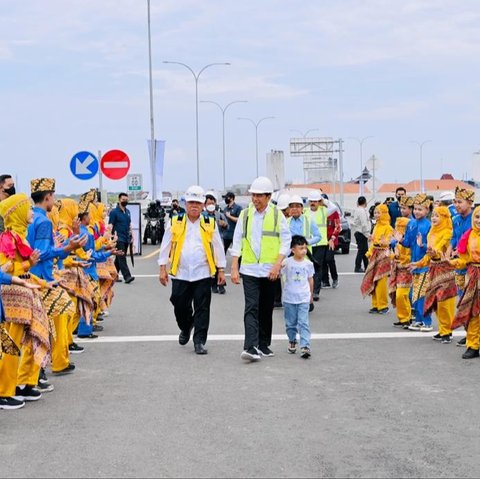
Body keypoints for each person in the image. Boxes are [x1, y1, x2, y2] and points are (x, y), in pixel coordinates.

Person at [27, 178, 87, 379]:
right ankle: (48, 366)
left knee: (40, 324)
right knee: (59, 314)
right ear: (47, 197)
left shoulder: (29, 218)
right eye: (53, 195)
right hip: (42, 278)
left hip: (32, 277)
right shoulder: (43, 221)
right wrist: (68, 249)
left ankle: (45, 368)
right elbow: (41, 253)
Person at [158, 185, 226, 355]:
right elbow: (166, 244)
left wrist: (221, 270)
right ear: (185, 204)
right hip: (180, 272)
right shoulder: (175, 221)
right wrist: (162, 268)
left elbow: (218, 246)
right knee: (178, 303)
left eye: (198, 203)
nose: (194, 206)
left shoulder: (210, 222)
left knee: (203, 308)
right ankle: (186, 326)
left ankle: (199, 341)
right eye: (191, 203)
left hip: (203, 272)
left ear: (203, 205)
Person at [231, 176, 291, 362]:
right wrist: (234, 266)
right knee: (251, 307)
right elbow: (237, 240)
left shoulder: (276, 214)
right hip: (249, 269)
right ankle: (250, 346)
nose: (255, 199)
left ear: (268, 196)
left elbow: (286, 240)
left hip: (269, 270)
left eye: (259, 195)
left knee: (266, 308)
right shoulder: (245, 214)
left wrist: (277, 264)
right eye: (253, 195)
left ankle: (263, 344)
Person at [0, 193, 51, 403]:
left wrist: (41, 282)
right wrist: (27, 264)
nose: (31, 212)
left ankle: (23, 383)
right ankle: (4, 391)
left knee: (31, 339)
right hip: (12, 297)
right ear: (18, 212)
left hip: (24, 294)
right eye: (27, 209)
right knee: (10, 345)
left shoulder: (19, 236)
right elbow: (5, 270)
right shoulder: (6, 239)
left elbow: (23, 270)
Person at [411, 206, 456, 342]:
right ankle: (443, 330)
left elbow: (438, 248)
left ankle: (447, 332)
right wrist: (417, 263)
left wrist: (434, 251)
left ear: (444, 218)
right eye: (433, 215)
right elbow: (429, 254)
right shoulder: (432, 232)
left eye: (438, 216)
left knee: (445, 302)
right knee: (436, 301)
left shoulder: (448, 232)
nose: (434, 218)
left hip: (445, 269)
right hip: (433, 268)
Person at [396, 194, 433, 332]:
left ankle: (427, 321)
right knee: (413, 294)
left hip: (424, 265)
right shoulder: (411, 224)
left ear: (427, 210)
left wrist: (422, 244)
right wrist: (400, 240)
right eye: (416, 209)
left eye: (420, 209)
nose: (417, 212)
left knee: (421, 294)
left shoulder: (429, 225)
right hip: (414, 265)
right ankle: (418, 320)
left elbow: (431, 247)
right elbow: (408, 244)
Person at [450, 206, 480, 359]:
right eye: (477, 217)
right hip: (473, 275)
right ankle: (473, 345)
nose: (479, 220)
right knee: (473, 312)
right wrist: (453, 262)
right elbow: (464, 259)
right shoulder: (469, 236)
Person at [282, 235, 314, 359]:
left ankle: (305, 345)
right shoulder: (287, 262)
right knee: (290, 323)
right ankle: (292, 340)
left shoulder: (308, 264)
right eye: (301, 248)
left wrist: (311, 295)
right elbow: (279, 273)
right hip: (289, 297)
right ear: (293, 250)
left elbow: (310, 279)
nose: (304, 251)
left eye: (305, 248)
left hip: (303, 297)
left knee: (303, 323)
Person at [450, 186, 475, 347]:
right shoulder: (456, 220)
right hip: (459, 266)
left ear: (470, 203)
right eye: (455, 202)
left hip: (472, 266)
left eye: (460, 202)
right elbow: (454, 238)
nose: (457, 205)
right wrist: (450, 250)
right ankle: (469, 334)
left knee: (473, 302)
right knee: (463, 302)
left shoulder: (475, 218)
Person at [360, 204, 393, 314]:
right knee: (373, 279)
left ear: (384, 213)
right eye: (375, 213)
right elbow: (373, 242)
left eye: (379, 213)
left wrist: (381, 242)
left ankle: (383, 305)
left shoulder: (388, 228)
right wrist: (369, 252)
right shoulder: (376, 226)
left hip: (383, 256)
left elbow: (389, 242)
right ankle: (375, 304)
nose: (376, 215)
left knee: (381, 281)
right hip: (374, 255)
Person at [388, 217, 413, 328]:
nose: (399, 229)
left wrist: (399, 256)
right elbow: (392, 255)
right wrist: (392, 255)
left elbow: (411, 257)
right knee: (398, 295)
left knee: (401, 295)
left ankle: (407, 318)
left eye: (402, 227)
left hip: (407, 271)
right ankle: (403, 318)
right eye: (397, 227)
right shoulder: (396, 241)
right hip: (397, 270)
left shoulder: (409, 241)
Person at [305, 190, 328, 300]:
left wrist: (323, 201)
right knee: (307, 267)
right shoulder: (305, 212)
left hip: (320, 243)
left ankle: (315, 291)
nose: (313, 203)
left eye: (315, 201)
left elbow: (334, 207)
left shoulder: (324, 210)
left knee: (317, 267)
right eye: (311, 201)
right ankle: (307, 290)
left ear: (319, 201)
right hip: (308, 244)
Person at [204, 192, 228, 294]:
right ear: (205, 205)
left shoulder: (219, 215)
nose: (211, 205)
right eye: (209, 203)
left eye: (213, 203)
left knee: (220, 265)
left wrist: (224, 224)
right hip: (207, 244)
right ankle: (213, 284)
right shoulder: (202, 216)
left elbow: (227, 226)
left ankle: (221, 285)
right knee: (211, 265)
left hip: (218, 244)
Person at [108, 193, 134, 284]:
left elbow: (129, 225)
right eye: (123, 199)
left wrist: (132, 236)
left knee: (119, 258)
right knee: (122, 256)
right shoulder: (114, 212)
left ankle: (113, 276)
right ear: (119, 200)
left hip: (126, 237)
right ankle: (127, 276)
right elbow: (110, 225)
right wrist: (110, 237)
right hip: (118, 238)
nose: (125, 201)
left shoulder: (128, 212)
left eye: (126, 200)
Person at [321, 196, 341, 288]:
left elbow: (338, 227)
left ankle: (335, 278)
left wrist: (332, 237)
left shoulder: (334, 212)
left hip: (331, 239)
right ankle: (325, 280)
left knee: (329, 259)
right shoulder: (318, 212)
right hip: (321, 240)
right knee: (322, 260)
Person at [351, 196, 371, 273]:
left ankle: (366, 266)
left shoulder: (357, 210)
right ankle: (358, 267)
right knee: (362, 251)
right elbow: (364, 224)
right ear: (365, 202)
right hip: (361, 233)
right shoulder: (362, 211)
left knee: (364, 251)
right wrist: (368, 234)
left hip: (359, 232)